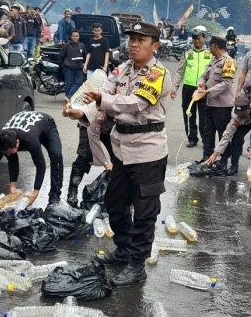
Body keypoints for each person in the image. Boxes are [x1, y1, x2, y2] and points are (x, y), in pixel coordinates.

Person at [63, 21, 173, 286]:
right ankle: (123, 249)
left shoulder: (157, 73)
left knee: (146, 211)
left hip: (149, 151)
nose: (133, 43)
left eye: (141, 40)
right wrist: (82, 111)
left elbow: (136, 103)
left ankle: (137, 264)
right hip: (122, 149)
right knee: (115, 202)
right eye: (131, 38)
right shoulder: (122, 69)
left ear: (154, 46)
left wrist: (100, 101)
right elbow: (103, 95)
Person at [0, 111, 63, 207]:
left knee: (56, 155)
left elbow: (40, 165)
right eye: (7, 152)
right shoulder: (1, 139)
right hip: (23, 126)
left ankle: (54, 195)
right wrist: (13, 186)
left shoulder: (30, 140)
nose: (9, 154)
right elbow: (12, 159)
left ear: (17, 142)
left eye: (11, 151)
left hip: (46, 125)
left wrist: (35, 192)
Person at [196, 36, 236, 166]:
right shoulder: (214, 60)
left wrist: (208, 91)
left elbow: (226, 84)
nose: (209, 47)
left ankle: (223, 161)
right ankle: (206, 157)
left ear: (216, 46)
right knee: (208, 132)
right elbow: (203, 75)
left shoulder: (228, 61)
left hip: (222, 105)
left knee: (222, 133)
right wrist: (201, 84)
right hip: (210, 103)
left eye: (210, 45)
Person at [172, 25, 212, 148]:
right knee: (189, 114)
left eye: (199, 38)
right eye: (194, 39)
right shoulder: (188, 53)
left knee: (205, 117)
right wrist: (175, 87)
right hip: (188, 88)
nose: (196, 41)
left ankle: (206, 140)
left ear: (204, 38)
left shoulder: (210, 54)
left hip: (203, 89)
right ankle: (192, 138)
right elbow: (180, 71)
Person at [204, 96, 251, 176]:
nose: (240, 115)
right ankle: (234, 166)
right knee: (236, 140)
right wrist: (214, 154)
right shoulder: (236, 117)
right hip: (243, 124)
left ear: (248, 109)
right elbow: (226, 136)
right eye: (239, 114)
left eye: (242, 114)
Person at [60, 29, 87, 99]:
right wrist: (62, 67)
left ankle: (68, 96)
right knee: (69, 84)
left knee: (79, 83)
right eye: (74, 36)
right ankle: (68, 100)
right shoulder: (66, 45)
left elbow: (85, 56)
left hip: (79, 68)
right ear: (71, 37)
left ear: (79, 36)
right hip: (68, 68)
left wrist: (84, 64)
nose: (75, 37)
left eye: (77, 36)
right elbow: (61, 57)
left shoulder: (82, 45)